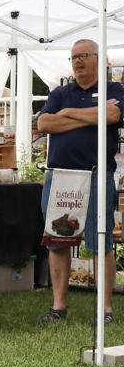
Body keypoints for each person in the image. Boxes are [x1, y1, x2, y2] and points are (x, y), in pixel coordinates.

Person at [37, 39, 124, 324]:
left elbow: (112, 114)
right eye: (73, 57)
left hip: (97, 173)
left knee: (101, 239)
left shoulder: (114, 90)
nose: (77, 61)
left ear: (98, 59)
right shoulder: (60, 92)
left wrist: (67, 114)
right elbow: (45, 124)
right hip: (60, 175)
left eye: (83, 55)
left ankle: (105, 310)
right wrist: (92, 118)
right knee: (57, 241)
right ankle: (59, 307)